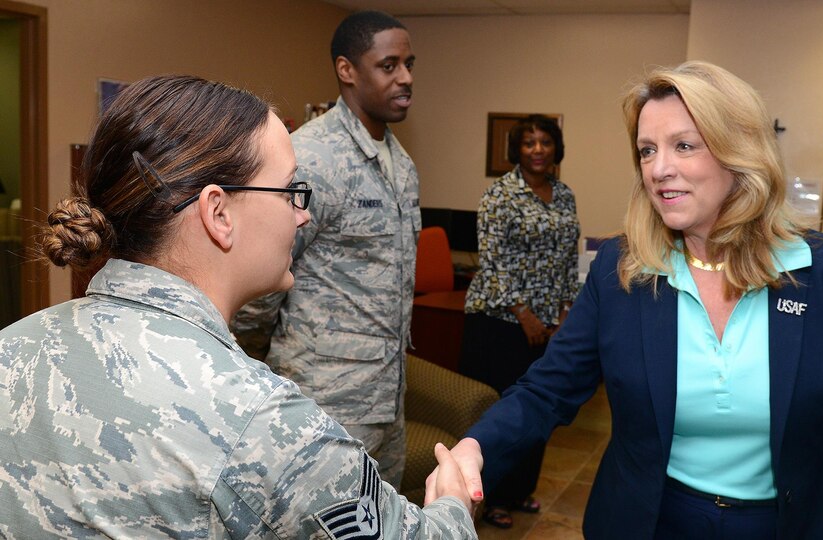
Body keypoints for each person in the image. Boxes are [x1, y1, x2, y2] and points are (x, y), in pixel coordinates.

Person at [0, 75, 477, 538]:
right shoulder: (265, 425)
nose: (303, 213)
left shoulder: (13, 346)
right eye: (291, 190)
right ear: (219, 213)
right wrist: (452, 501)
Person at [436, 61, 823, 539]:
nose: (659, 169)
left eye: (684, 146)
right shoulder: (621, 270)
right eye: (647, 151)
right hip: (648, 521)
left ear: (741, 152)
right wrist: (476, 448)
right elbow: (548, 389)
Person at [231, 10, 419, 489]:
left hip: (386, 401)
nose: (406, 78)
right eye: (390, 65)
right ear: (347, 70)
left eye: (409, 64)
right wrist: (257, 370)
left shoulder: (402, 165)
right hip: (322, 404)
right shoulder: (311, 158)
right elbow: (260, 282)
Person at [459, 114, 579, 528]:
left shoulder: (564, 196)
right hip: (499, 322)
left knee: (538, 410)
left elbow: (568, 259)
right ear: (518, 150)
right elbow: (493, 261)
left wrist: (565, 312)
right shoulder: (500, 194)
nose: (538, 149)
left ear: (555, 148)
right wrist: (524, 314)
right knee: (502, 412)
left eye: (545, 141)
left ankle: (520, 491)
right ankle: (488, 496)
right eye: (528, 143)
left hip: (548, 323)